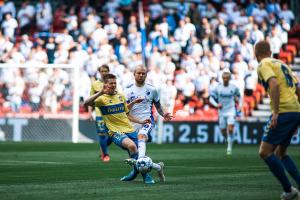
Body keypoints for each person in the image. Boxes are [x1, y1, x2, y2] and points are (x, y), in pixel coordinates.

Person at [84, 73, 155, 184]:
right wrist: (101, 92)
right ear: (105, 84)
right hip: (115, 131)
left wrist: (140, 121)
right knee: (132, 146)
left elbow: (126, 113)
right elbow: (86, 103)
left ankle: (134, 174)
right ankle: (146, 176)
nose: (113, 85)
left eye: (114, 83)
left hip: (130, 129)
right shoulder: (101, 99)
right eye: (110, 83)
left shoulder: (121, 96)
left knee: (139, 154)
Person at [255, 40, 300, 200]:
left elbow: (273, 84)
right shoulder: (283, 64)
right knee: (281, 153)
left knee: (265, 152)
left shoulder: (263, 64)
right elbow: (298, 88)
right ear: (270, 51)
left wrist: (275, 112)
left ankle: (289, 190)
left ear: (256, 54)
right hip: (294, 110)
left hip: (283, 110)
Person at [124, 65, 173, 182]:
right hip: (132, 122)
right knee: (132, 150)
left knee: (141, 137)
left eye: (143, 73)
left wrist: (164, 114)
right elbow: (124, 109)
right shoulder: (127, 90)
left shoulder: (152, 89)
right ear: (134, 74)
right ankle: (158, 167)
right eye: (139, 73)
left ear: (146, 75)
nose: (141, 75)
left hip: (147, 121)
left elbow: (158, 106)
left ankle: (141, 162)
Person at [209, 69, 242, 155]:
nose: (225, 79)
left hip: (231, 111)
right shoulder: (218, 88)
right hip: (222, 112)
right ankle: (227, 139)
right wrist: (216, 105)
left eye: (227, 78)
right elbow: (211, 98)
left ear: (229, 78)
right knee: (223, 131)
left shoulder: (233, 88)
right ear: (222, 78)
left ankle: (229, 148)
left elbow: (240, 97)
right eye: (224, 78)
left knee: (230, 129)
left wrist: (240, 106)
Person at [88, 65, 111, 162]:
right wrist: (90, 113)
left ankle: (103, 148)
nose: (104, 73)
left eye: (106, 71)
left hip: (111, 113)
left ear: (109, 71)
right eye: (102, 71)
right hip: (99, 113)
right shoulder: (95, 84)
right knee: (101, 134)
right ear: (99, 72)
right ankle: (105, 155)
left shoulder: (112, 83)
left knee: (112, 135)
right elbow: (90, 99)